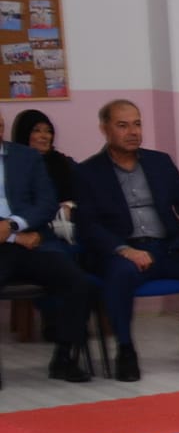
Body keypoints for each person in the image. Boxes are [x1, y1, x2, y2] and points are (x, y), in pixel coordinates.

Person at [71, 99, 179, 378]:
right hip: (124, 253)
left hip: (169, 248)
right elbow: (87, 225)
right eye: (123, 125)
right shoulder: (88, 172)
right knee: (120, 273)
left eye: (137, 124)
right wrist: (123, 249)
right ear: (105, 129)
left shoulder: (160, 162)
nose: (133, 132)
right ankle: (125, 349)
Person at [0, 106, 93, 383]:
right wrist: (14, 235)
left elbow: (46, 202)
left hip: (32, 242)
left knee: (78, 282)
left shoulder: (26, 157)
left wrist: (14, 225)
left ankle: (64, 358)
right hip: (13, 242)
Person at [10, 108, 78, 242]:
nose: (45, 136)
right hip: (32, 229)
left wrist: (70, 205)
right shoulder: (13, 165)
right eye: (37, 130)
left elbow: (88, 187)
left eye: (48, 131)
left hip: (71, 224)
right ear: (24, 133)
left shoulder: (62, 161)